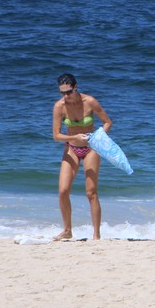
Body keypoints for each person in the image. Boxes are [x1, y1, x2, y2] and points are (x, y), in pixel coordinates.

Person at [51, 73, 112, 241]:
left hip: (91, 148)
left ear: (76, 87)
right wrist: (74, 138)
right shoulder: (59, 106)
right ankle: (67, 230)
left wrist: (98, 137)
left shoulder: (90, 102)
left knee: (91, 192)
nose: (65, 96)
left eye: (68, 92)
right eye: (62, 93)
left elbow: (107, 122)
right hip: (71, 148)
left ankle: (96, 235)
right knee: (63, 191)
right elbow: (56, 136)